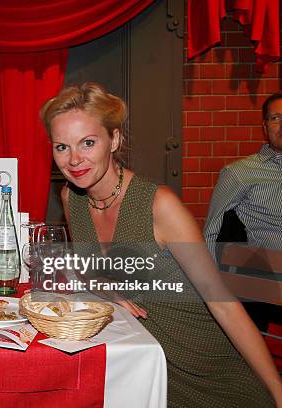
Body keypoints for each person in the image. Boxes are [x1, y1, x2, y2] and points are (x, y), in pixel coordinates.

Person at [40, 82, 281, 407]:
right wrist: (104, 289)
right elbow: (87, 268)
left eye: (87, 142)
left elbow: (223, 303)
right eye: (62, 147)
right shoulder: (72, 199)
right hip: (144, 364)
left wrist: (277, 391)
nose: (74, 159)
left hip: (204, 366)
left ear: (114, 140)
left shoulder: (158, 205)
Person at [203, 92, 282, 261]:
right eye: (275, 118)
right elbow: (211, 234)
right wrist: (212, 285)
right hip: (271, 278)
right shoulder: (239, 173)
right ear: (265, 127)